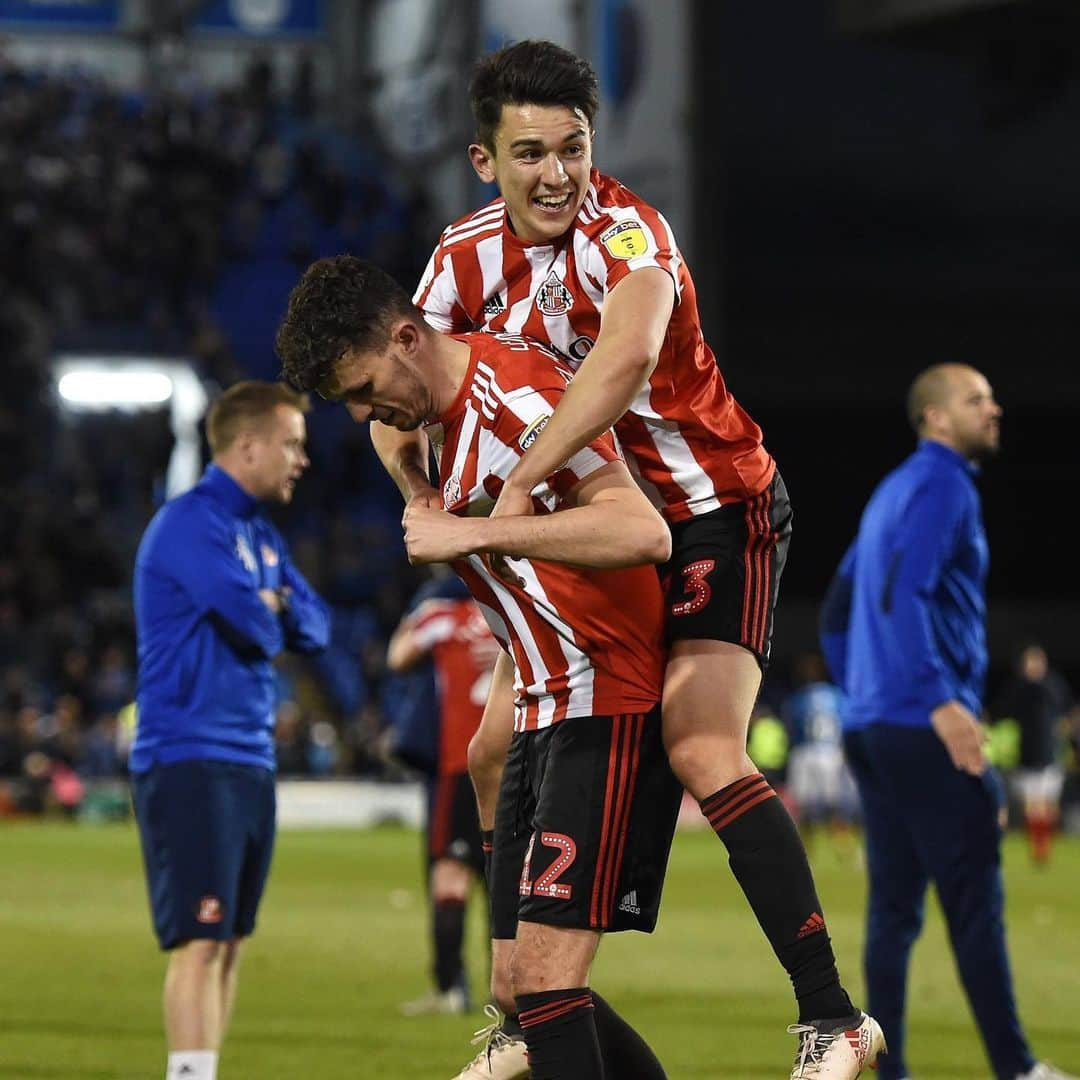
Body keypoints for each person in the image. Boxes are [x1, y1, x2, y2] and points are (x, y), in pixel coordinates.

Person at [367, 39, 880, 1080]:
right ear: (484, 160)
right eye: (531, 154)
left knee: (699, 744)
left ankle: (832, 1017)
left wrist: (509, 493)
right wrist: (422, 493)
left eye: (574, 148)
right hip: (593, 529)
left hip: (711, 510)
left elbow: (628, 357)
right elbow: (398, 382)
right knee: (489, 752)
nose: (558, 175)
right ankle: (520, 1008)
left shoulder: (631, 232)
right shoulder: (462, 257)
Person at [277, 254, 696, 1080]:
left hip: (603, 703)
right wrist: (415, 489)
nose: (367, 412)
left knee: (544, 984)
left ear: (407, 338)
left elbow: (641, 533)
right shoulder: (429, 418)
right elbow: (389, 430)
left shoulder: (517, 401)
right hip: (538, 717)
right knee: (513, 986)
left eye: (364, 387)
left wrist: (471, 534)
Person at [819, 363, 1076, 1080]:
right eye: (977, 400)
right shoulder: (945, 485)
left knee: (893, 910)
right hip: (922, 724)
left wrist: (864, 689)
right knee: (975, 905)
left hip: (875, 725)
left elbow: (842, 611)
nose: (994, 410)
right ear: (937, 417)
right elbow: (908, 593)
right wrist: (936, 701)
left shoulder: (890, 491)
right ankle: (1018, 1068)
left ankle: (890, 1069)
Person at [130, 380, 331, 1080]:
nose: (301, 459)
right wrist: (269, 608)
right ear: (248, 447)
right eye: (292, 445)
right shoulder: (188, 524)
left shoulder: (258, 533)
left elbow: (315, 624)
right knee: (201, 939)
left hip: (248, 758)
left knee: (232, 941)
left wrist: (271, 606)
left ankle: (202, 1070)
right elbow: (256, 624)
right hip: (190, 755)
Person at [388, 569, 500, 1016]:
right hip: (519, 764)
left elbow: (398, 656)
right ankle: (514, 993)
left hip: (462, 767)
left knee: (450, 877)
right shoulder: (521, 617)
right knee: (507, 880)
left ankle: (451, 989)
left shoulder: (444, 617)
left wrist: (418, 608)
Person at [992, 642, 1075, 866]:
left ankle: (1044, 846)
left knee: (1047, 807)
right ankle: (1038, 849)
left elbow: (1067, 713)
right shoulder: (1017, 689)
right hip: (1027, 756)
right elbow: (1001, 713)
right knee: (1033, 807)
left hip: (1050, 755)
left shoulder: (1054, 685)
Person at [780, 652, 860, 857]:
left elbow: (791, 730)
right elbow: (846, 723)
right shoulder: (836, 697)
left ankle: (806, 849)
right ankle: (843, 846)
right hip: (830, 752)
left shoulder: (796, 700)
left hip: (805, 752)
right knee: (835, 803)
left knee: (806, 805)